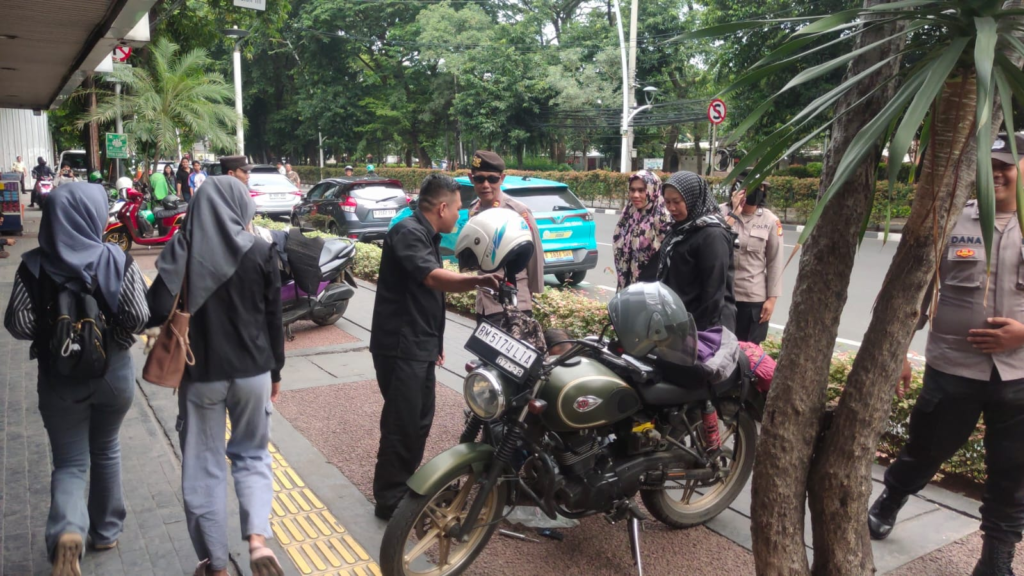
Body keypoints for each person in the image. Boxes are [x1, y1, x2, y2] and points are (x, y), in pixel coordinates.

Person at [868, 133, 1024, 576]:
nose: (996, 172)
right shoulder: (953, 218)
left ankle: (995, 560)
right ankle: (892, 498)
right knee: (924, 450)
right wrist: (898, 350)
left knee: (1013, 474)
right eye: (989, 164)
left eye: (1006, 164)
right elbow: (916, 290)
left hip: (1019, 377)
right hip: (953, 369)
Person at [3, 182, 149, 576]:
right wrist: (112, 337)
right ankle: (106, 532)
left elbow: (17, 323)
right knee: (106, 449)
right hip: (113, 374)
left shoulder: (33, 265)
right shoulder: (116, 259)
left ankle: (68, 530)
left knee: (69, 462)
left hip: (60, 377)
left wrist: (55, 336)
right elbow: (139, 316)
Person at [147, 176, 285, 576]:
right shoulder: (262, 250)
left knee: (203, 466)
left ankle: (217, 564)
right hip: (254, 372)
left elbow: (155, 309)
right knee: (253, 455)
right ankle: (257, 541)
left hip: (200, 374)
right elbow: (274, 319)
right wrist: (276, 372)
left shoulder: (184, 247)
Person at [369, 173, 500, 521]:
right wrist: (477, 280)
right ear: (442, 208)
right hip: (401, 347)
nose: (459, 215)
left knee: (418, 421)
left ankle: (402, 488)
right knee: (402, 423)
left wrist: (435, 343)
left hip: (419, 343)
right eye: (457, 209)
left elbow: (421, 297)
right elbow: (431, 278)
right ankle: (390, 500)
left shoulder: (426, 234)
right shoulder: (408, 232)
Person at [468, 150, 544, 323]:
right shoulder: (474, 210)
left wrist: (531, 293)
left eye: (492, 179)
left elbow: (535, 255)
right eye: (479, 179)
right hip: (484, 301)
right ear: (471, 178)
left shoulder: (517, 211)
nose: (485, 185)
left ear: (502, 178)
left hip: (513, 302)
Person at [657, 171, 737, 332]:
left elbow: (713, 293)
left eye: (677, 202)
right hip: (680, 319)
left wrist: (698, 334)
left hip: (704, 327)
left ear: (693, 198)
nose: (671, 208)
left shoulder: (712, 235)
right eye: (667, 202)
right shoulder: (681, 229)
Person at [721, 171, 784, 344]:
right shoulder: (720, 213)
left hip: (753, 298)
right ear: (737, 189)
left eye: (760, 187)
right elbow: (713, 242)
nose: (756, 191)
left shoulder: (770, 220)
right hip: (723, 295)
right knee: (721, 348)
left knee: (749, 351)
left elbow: (775, 262)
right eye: (749, 187)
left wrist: (772, 299)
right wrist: (734, 213)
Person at [613, 170, 673, 291]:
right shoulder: (628, 215)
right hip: (628, 287)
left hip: (653, 290)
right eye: (632, 190)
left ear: (653, 190)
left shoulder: (663, 220)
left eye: (641, 190)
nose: (635, 195)